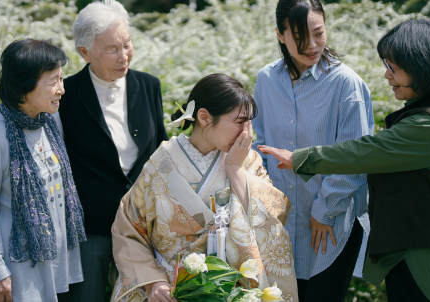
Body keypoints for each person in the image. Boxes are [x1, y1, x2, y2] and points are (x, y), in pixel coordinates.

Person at [259, 19, 430, 302]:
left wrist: (300, 158)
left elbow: (365, 153)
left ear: (422, 66)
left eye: (393, 67)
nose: (387, 76)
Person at [111, 73, 300, 302]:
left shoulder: (247, 161)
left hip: (231, 287)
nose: (247, 133)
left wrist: (235, 171)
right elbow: (128, 230)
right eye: (240, 122)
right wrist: (154, 282)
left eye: (249, 123)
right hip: (171, 286)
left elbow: (271, 223)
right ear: (204, 117)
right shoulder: (161, 165)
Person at [251, 0, 373, 302]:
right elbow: (258, 147)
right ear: (280, 35)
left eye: (318, 33)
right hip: (280, 226)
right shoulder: (266, 79)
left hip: (330, 225)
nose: (311, 45)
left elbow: (355, 159)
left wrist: (324, 210)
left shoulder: (347, 85)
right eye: (299, 37)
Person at [57, 0, 169, 302]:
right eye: (112, 49)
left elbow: (160, 151)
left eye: (127, 44)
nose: (124, 56)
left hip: (143, 224)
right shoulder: (65, 97)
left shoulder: (149, 86)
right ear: (84, 52)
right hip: (91, 227)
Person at [0, 39, 86, 302]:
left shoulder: (48, 121)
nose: (62, 89)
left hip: (53, 259)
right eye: (53, 81)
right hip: (18, 267)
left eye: (62, 79)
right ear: (23, 86)